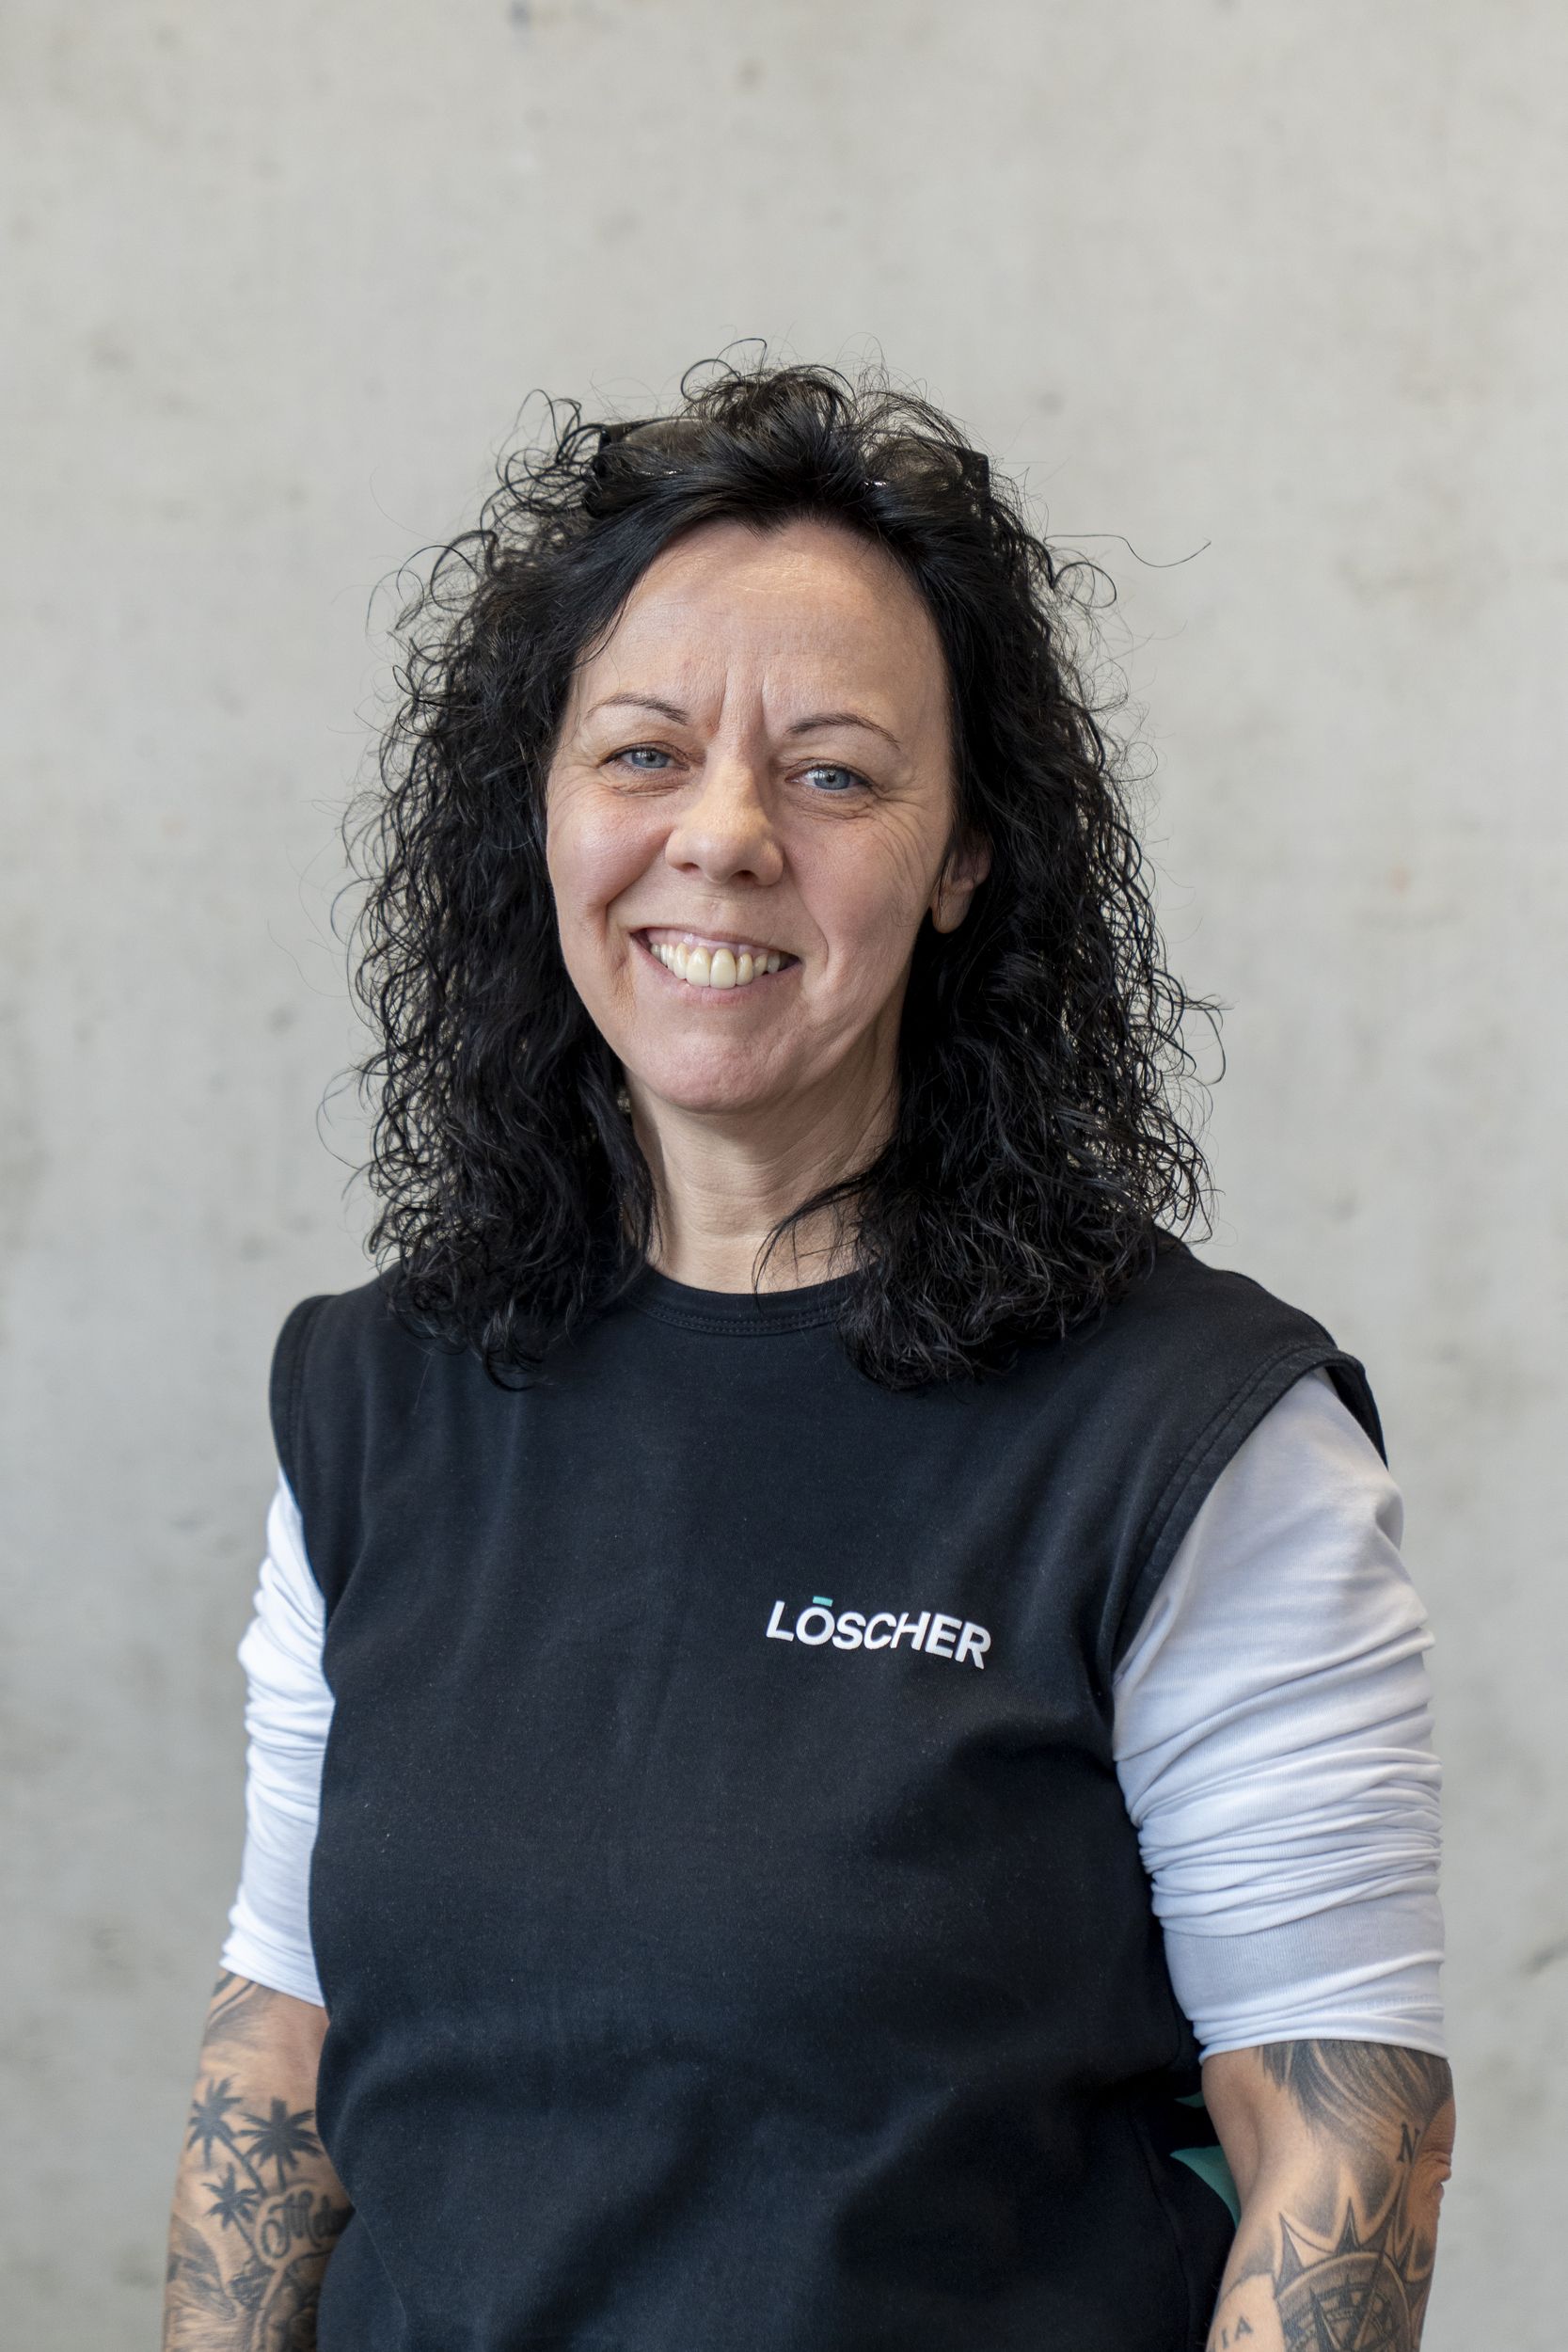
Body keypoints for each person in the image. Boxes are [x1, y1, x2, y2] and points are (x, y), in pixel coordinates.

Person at [161, 358, 1452, 2351]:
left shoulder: (1190, 1438)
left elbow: (1344, 2134)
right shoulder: (375, 1397)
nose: (726, 835)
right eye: (643, 752)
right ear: (542, 812)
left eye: (835, 773)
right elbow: (281, 2043)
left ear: (964, 858)